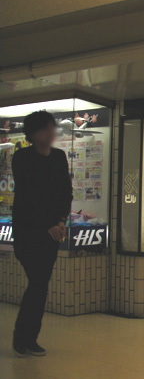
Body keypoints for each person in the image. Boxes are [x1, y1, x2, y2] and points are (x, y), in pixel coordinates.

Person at [11, 111, 72, 357]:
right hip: (28, 231)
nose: (52, 132)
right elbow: (27, 196)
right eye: (47, 128)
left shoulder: (59, 157)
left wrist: (60, 221)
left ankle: (28, 338)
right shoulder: (21, 157)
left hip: (52, 232)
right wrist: (48, 223)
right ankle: (23, 337)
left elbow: (65, 192)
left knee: (40, 285)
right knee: (38, 283)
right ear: (34, 133)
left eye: (52, 127)